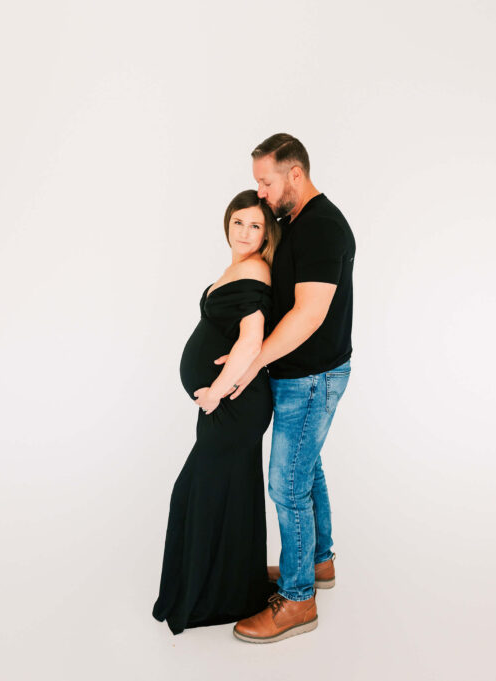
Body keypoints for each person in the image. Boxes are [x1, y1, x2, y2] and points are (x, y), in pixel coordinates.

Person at [226, 134, 356, 644]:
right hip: (299, 374)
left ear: (295, 175)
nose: (258, 192)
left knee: (285, 482)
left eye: (266, 181)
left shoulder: (324, 227)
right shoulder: (293, 222)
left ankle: (299, 599)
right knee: (308, 465)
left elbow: (309, 314)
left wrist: (252, 362)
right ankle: (318, 563)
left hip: (312, 376)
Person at [152, 190, 282, 634]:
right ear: (228, 222)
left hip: (233, 405)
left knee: (194, 492)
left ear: (267, 234)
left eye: (256, 225)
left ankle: (206, 597)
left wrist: (215, 394)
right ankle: (235, 588)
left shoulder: (255, 270)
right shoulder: (239, 268)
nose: (245, 232)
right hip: (233, 404)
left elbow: (251, 339)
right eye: (239, 222)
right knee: (232, 492)